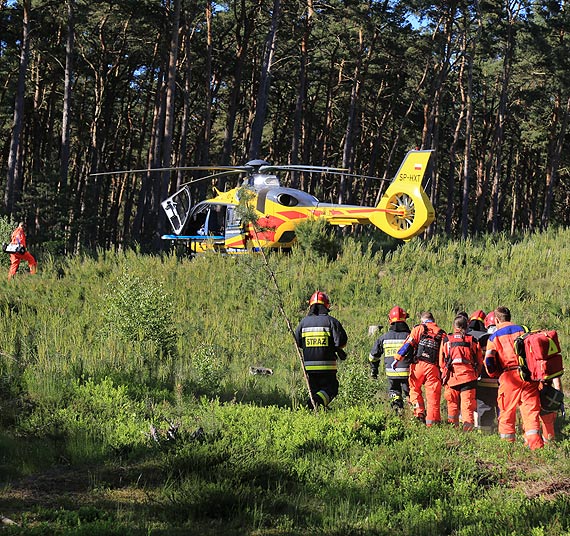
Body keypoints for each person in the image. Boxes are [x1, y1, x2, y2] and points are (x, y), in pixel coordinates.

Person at [484, 306, 544, 450]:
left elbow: (489, 361)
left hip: (509, 377)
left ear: (497, 319)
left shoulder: (494, 336)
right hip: (528, 376)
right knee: (530, 411)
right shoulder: (523, 330)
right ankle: (535, 446)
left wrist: (494, 374)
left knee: (506, 411)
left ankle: (507, 447)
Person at [294, 291, 348, 410]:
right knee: (331, 388)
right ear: (326, 306)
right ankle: (315, 404)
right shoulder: (331, 321)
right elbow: (341, 342)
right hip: (327, 367)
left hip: (309, 368)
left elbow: (297, 342)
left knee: (315, 391)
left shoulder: (303, 323)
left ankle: (316, 410)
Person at [393, 311, 445, 426]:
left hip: (418, 366)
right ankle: (433, 422)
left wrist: (397, 358)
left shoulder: (419, 329)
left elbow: (408, 344)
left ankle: (419, 413)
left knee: (414, 389)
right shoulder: (441, 333)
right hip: (433, 368)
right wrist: (443, 370)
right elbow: (444, 354)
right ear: (433, 320)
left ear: (422, 320)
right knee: (433, 395)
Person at [440, 315, 483, 430]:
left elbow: (442, 362)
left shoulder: (447, 340)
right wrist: (477, 373)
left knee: (452, 405)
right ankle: (467, 431)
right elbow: (479, 361)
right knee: (467, 406)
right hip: (469, 378)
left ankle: (453, 429)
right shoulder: (473, 340)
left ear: (454, 326)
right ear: (467, 325)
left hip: (452, 378)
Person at [369, 306, 412, 413]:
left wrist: (374, 371)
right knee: (410, 394)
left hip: (392, 373)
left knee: (394, 391)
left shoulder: (384, 338)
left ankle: (397, 409)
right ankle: (414, 414)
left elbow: (373, 357)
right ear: (405, 319)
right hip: (408, 373)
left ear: (390, 321)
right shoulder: (410, 337)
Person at [471, 310, 500, 432]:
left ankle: (484, 434)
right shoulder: (503, 337)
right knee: (502, 408)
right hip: (500, 382)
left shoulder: (480, 339)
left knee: (484, 408)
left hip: (482, 381)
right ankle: (503, 431)